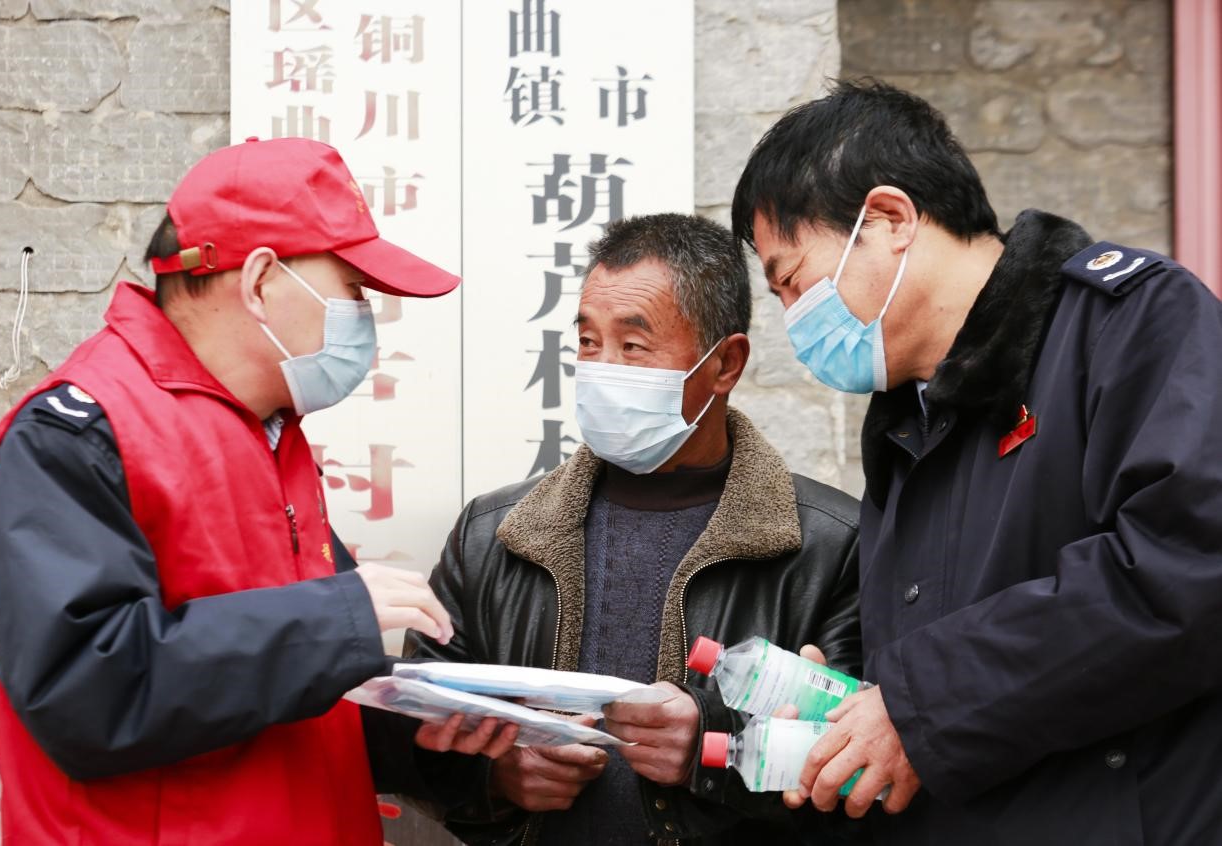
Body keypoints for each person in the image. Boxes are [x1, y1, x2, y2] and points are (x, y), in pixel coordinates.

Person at [0, 136, 513, 844]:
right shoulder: (77, 435)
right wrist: (335, 620)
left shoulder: (273, 434)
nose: (365, 319)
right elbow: (83, 692)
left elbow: (292, 694)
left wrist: (431, 736)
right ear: (259, 281)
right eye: (352, 290)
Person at [731, 79, 1222, 845]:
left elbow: (1186, 570)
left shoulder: (1130, 321)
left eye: (790, 281)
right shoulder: (908, 420)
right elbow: (932, 649)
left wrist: (915, 705)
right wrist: (850, 700)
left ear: (889, 219)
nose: (794, 320)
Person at [404, 213, 866, 845]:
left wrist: (712, 749)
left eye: (633, 346)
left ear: (726, 363)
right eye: (588, 342)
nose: (602, 367)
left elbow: (865, 767)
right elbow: (412, 730)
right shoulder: (493, 535)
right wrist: (495, 778)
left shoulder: (831, 546)